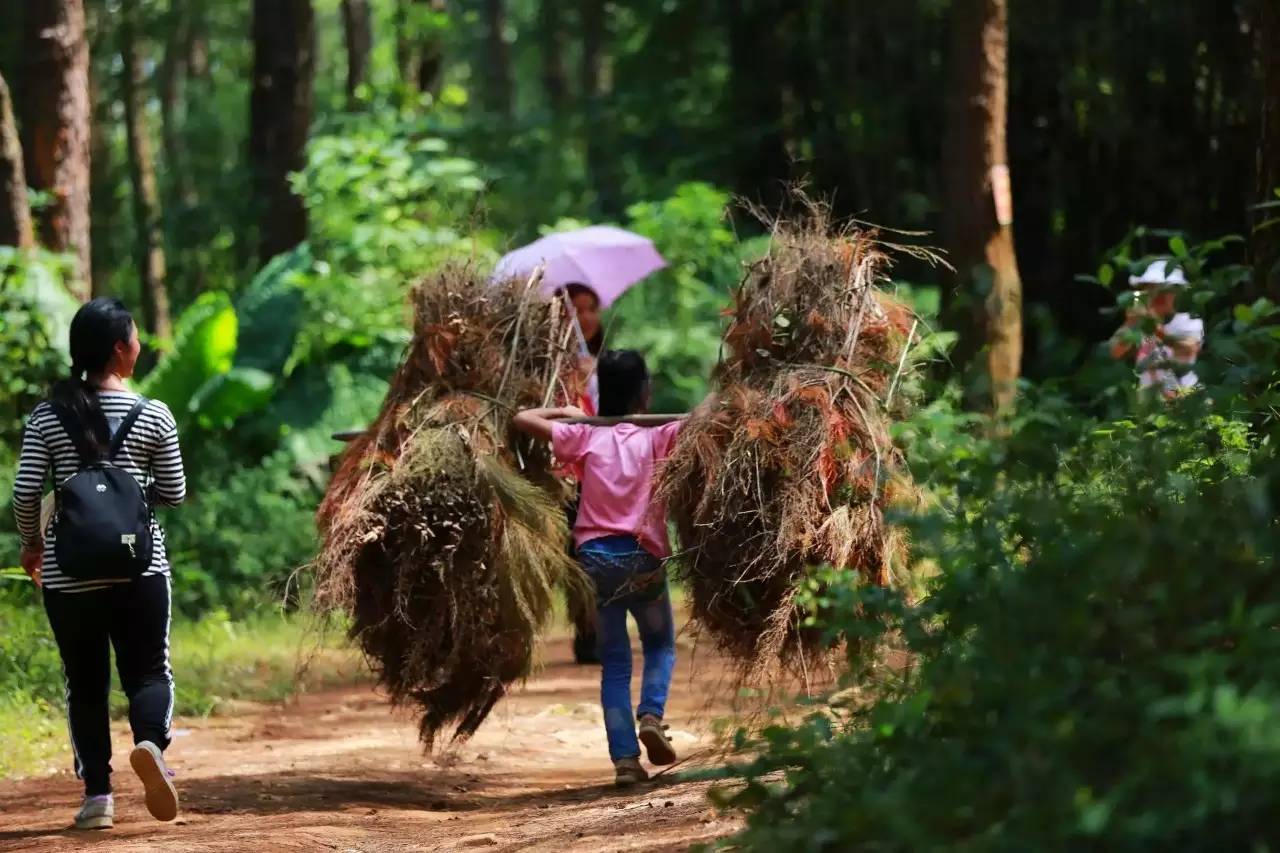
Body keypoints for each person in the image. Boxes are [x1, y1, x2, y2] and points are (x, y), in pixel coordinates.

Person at [12, 298, 186, 830]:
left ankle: (97, 799)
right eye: (134, 337)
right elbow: (175, 492)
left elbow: (24, 493)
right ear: (119, 348)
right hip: (141, 568)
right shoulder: (153, 413)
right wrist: (131, 495)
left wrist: (32, 543)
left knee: (84, 682)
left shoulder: (47, 414)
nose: (139, 346)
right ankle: (151, 744)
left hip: (70, 575)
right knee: (149, 670)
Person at [513, 350, 682, 787]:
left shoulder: (585, 436)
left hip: (595, 562)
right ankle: (652, 713)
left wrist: (570, 414)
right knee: (660, 644)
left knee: (615, 663)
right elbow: (713, 419)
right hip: (642, 558)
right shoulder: (661, 436)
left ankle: (625, 761)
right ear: (645, 392)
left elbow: (521, 417)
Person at [557, 282, 605, 664]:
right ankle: (587, 631)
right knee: (575, 552)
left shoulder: (600, 358)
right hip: (566, 471)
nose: (585, 317)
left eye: (591, 308)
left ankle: (597, 631)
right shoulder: (551, 362)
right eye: (577, 309)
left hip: (601, 467)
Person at [1110, 260, 1204, 398]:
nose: (1157, 295)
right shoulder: (1140, 321)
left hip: (1185, 401)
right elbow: (1116, 352)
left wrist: (1153, 327)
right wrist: (1130, 323)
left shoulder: (1189, 321)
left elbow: (1187, 349)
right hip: (1152, 406)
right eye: (1150, 289)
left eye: (1163, 290)